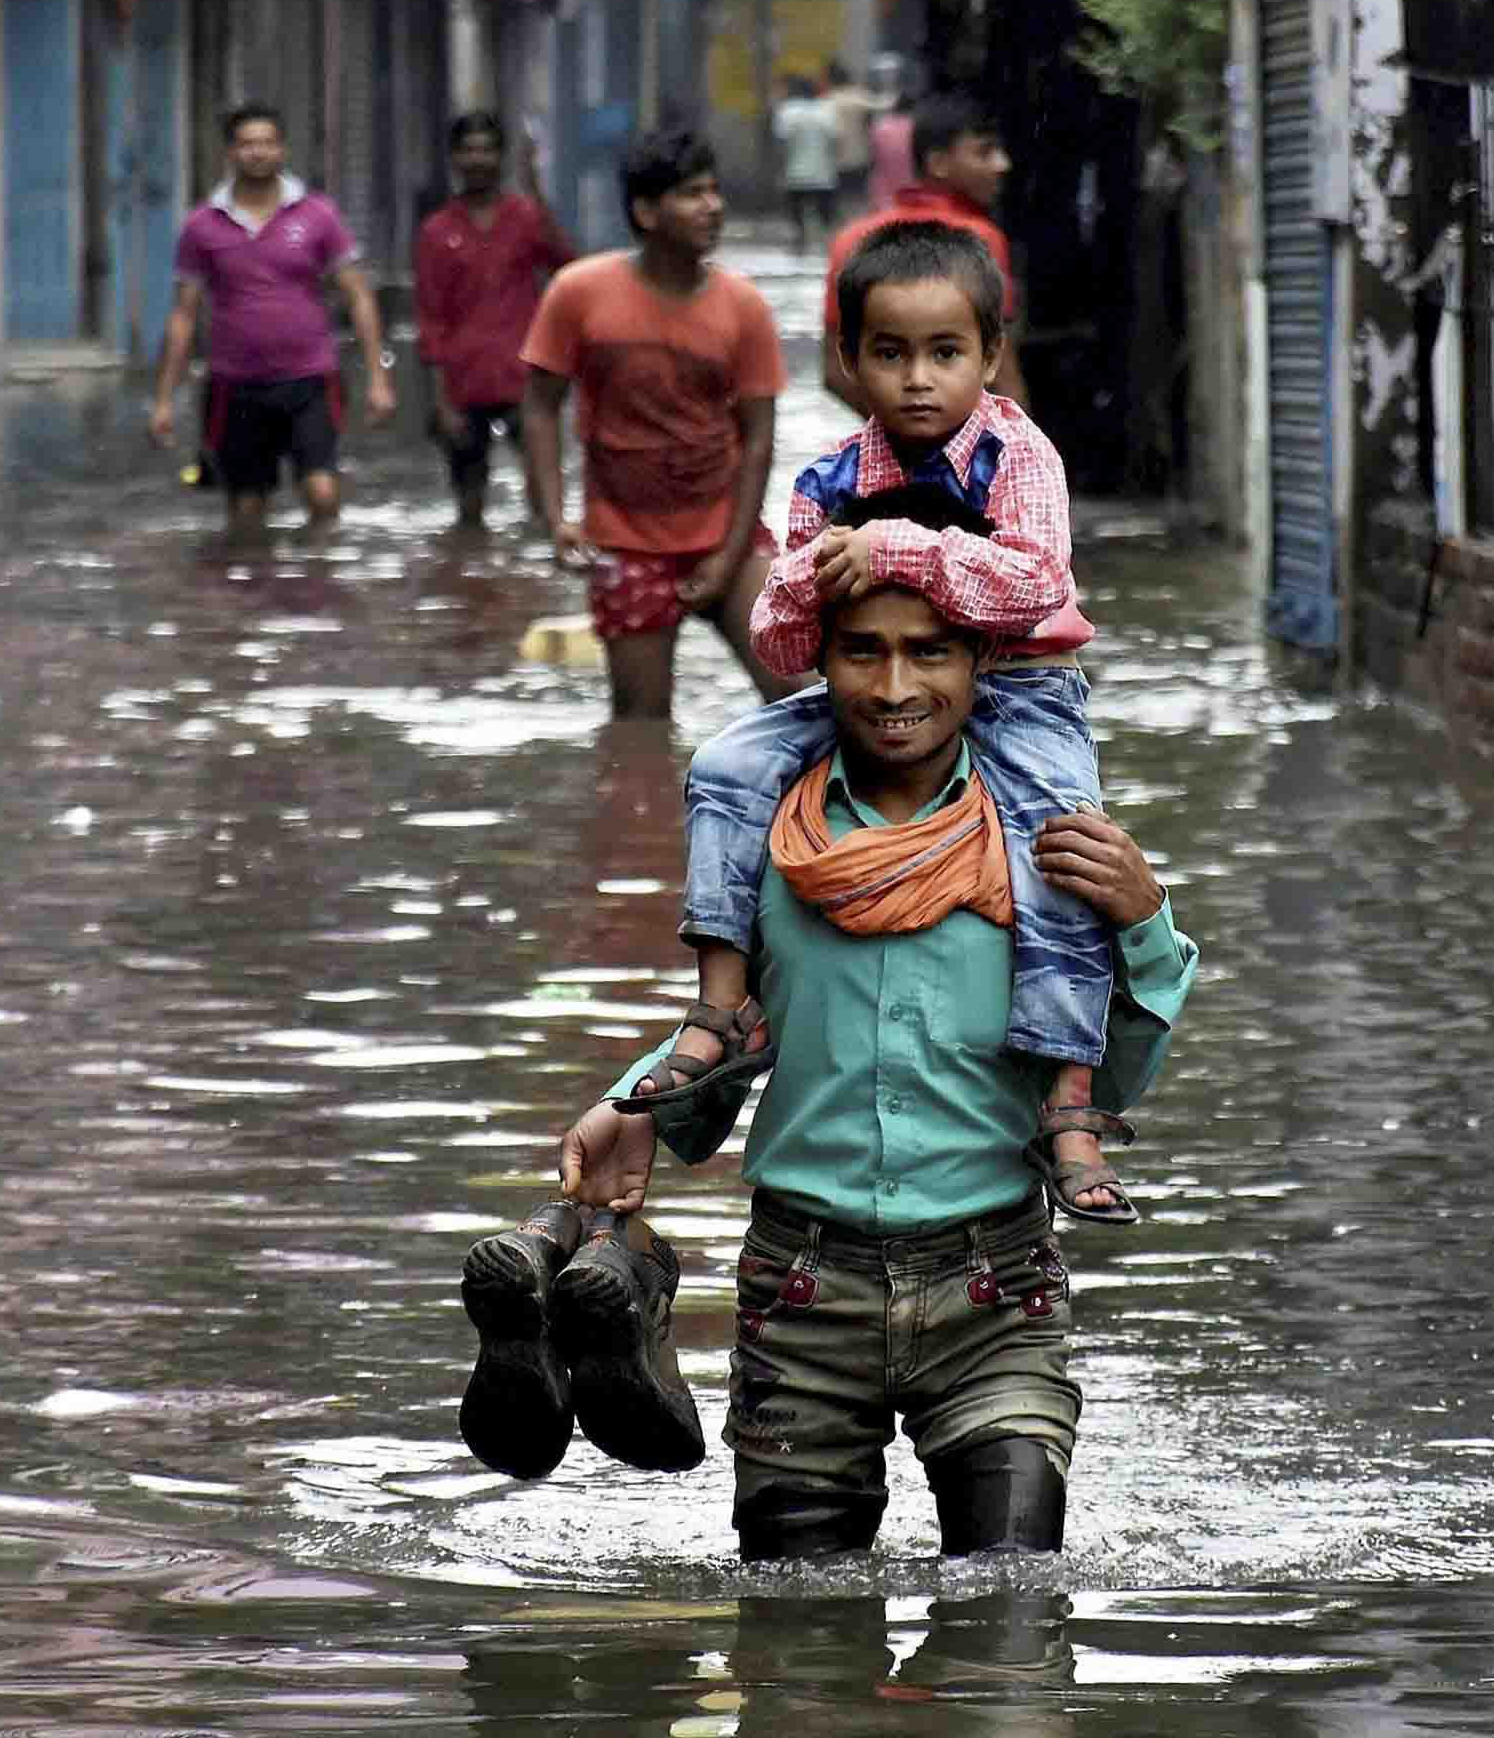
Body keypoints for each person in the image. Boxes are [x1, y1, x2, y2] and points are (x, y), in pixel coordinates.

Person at [458, 564, 1198, 1556]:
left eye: (929, 651)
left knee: (1010, 1636)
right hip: (803, 1293)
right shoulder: (771, 836)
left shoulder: (1050, 847)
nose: (896, 689)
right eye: (865, 652)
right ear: (819, 663)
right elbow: (748, 1025)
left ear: (983, 661)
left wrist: (1145, 918)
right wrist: (630, 1106)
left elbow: (1106, 1077)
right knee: (800, 1652)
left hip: (996, 1294)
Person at [624, 220, 1127, 1232]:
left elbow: (1035, 584)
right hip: (859, 693)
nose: (917, 380)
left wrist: (900, 551)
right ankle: (721, 1003)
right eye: (889, 354)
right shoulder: (828, 480)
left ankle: (1070, 1106)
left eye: (946, 353)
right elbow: (777, 639)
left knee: (1061, 857)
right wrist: (817, 573)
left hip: (1024, 692)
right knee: (727, 763)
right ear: (849, 362)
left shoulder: (1016, 452)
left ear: (990, 357)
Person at [520, 128, 804, 721]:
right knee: (641, 727)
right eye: (692, 194)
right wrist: (553, 518)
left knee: (801, 696)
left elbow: (758, 441)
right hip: (625, 542)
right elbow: (541, 406)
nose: (714, 206)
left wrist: (728, 558)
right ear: (647, 212)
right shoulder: (579, 293)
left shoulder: (743, 307)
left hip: (727, 534)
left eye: (715, 191)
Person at [149, 103, 398, 536]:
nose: (257, 153)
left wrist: (378, 377)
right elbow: (184, 314)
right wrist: (165, 400)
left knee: (322, 493)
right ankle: (255, 595)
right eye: (247, 144)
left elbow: (358, 296)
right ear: (230, 153)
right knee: (246, 512)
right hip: (235, 384)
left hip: (310, 379)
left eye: (266, 143)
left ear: (282, 150)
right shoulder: (203, 225)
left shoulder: (317, 215)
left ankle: (318, 588)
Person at [413, 112, 577, 533]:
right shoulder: (436, 231)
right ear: (454, 158)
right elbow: (430, 316)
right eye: (468, 150)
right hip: (463, 382)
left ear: (500, 157)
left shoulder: (526, 217)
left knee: (543, 499)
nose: (477, 159)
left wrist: (538, 191)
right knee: (469, 512)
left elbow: (568, 265)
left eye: (486, 149)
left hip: (524, 377)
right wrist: (441, 400)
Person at [824, 92, 1029, 416]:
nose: (1002, 165)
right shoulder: (981, 239)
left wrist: (898, 427)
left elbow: (834, 372)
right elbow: (1003, 374)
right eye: (984, 152)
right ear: (938, 163)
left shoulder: (851, 237)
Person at [771, 75, 841, 257]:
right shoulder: (827, 110)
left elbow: (781, 144)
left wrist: (780, 168)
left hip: (795, 172)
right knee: (825, 214)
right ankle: (828, 246)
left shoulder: (787, 111)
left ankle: (800, 245)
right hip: (823, 173)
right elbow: (835, 140)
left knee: (797, 213)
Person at [823, 60, 880, 214]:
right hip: (862, 155)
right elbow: (872, 122)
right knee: (860, 198)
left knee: (840, 199)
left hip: (837, 158)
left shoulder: (828, 101)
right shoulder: (862, 97)